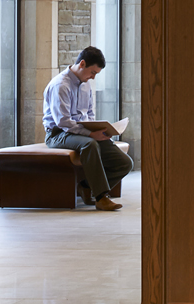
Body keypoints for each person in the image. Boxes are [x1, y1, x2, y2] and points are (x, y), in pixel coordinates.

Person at [42, 47, 133, 211]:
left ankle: (86, 186)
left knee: (124, 163)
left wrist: (98, 129)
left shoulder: (85, 85)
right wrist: (91, 134)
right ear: (82, 64)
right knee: (89, 144)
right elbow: (63, 122)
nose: (93, 77)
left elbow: (89, 114)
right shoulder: (60, 85)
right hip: (58, 134)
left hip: (82, 132)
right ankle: (100, 197)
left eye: (96, 74)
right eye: (92, 72)